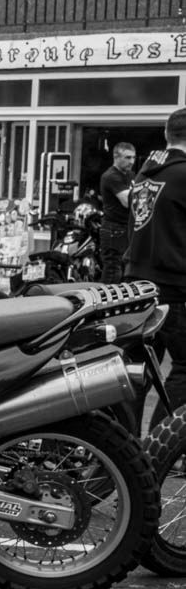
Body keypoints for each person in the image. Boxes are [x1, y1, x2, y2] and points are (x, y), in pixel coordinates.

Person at [129, 111, 186, 427]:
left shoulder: (144, 175)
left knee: (139, 370)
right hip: (175, 287)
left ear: (168, 134)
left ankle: (123, 450)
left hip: (138, 286)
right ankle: (162, 444)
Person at [99, 141, 135, 283]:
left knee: (126, 271)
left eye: (133, 157)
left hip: (126, 227)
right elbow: (128, 201)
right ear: (116, 157)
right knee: (113, 271)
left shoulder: (131, 174)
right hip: (114, 229)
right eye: (127, 157)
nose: (131, 161)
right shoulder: (111, 176)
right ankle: (106, 304)